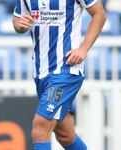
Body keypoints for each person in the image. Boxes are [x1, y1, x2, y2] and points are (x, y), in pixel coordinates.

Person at [13, 0, 106, 150]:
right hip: (41, 71)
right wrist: (20, 24)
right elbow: (18, 20)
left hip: (66, 69)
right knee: (65, 136)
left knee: (39, 129)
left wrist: (83, 48)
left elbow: (99, 14)